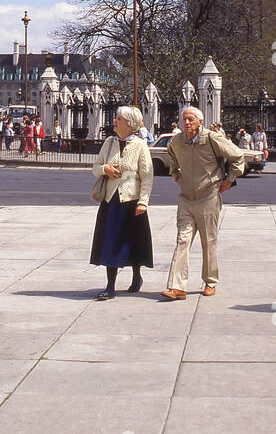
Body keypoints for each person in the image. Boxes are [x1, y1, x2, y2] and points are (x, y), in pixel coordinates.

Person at [162, 105, 245, 299]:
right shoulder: (176, 141)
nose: (187, 122)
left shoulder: (211, 138)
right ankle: (177, 287)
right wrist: (178, 178)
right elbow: (173, 163)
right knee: (182, 240)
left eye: (191, 119)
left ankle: (210, 282)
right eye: (185, 119)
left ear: (200, 122)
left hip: (209, 197)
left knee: (209, 242)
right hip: (186, 199)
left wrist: (229, 180)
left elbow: (237, 156)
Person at [90, 106, 154, 299]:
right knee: (110, 242)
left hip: (132, 202)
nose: (115, 122)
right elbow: (95, 167)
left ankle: (137, 276)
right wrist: (105, 169)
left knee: (133, 241)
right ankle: (110, 286)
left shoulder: (140, 145)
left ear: (129, 124)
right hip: (112, 202)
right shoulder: (109, 142)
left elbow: (147, 176)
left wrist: (143, 201)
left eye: (118, 119)